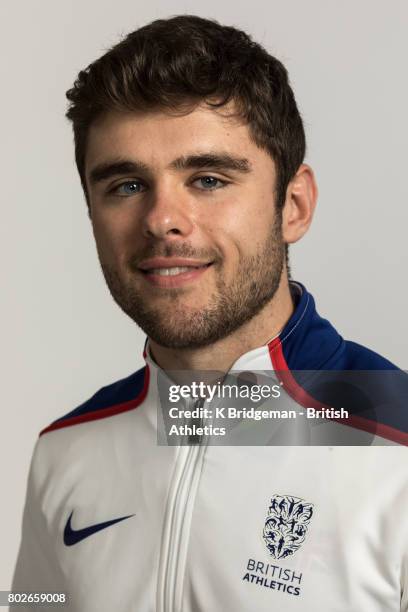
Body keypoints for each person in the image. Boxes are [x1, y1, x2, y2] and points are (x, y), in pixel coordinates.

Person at [11, 14, 408, 612]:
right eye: (124, 185)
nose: (162, 219)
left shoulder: (395, 450)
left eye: (208, 178)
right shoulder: (64, 450)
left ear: (293, 205)